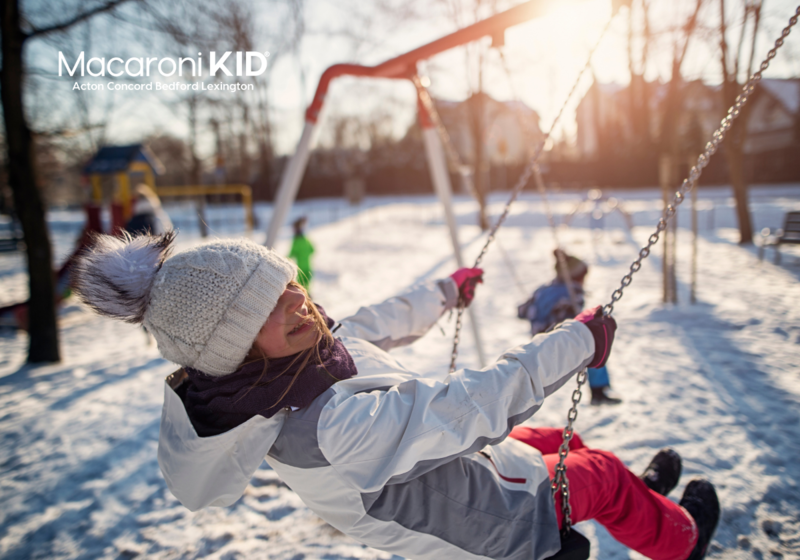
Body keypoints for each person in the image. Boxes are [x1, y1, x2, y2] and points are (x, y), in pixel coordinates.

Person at [71, 232, 720, 560]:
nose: (298, 300)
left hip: (464, 468)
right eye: (265, 306)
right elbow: (469, 407)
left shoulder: (303, 351)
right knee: (596, 474)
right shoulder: (325, 426)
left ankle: (640, 499)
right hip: (485, 520)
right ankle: (682, 537)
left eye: (287, 282)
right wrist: (577, 344)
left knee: (565, 443)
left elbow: (376, 320)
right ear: (231, 350)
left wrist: (444, 292)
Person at [518, 249, 622, 405]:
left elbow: (522, 311)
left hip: (537, 341)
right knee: (596, 345)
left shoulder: (542, 290)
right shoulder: (573, 292)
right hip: (556, 343)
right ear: (578, 276)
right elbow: (568, 322)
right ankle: (599, 392)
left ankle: (599, 392)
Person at [289, 216, 314, 291]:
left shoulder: (296, 241)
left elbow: (292, 253)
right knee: (308, 282)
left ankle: (306, 295)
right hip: (308, 265)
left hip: (300, 267)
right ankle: (308, 293)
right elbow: (312, 250)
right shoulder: (306, 239)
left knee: (302, 284)